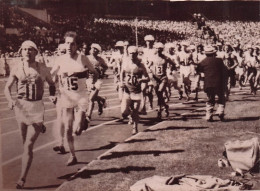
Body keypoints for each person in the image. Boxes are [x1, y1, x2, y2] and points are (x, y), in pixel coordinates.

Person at [4, 40, 56, 189]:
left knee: (28, 145)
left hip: (37, 108)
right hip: (21, 107)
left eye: (30, 49)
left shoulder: (43, 69)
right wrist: (9, 100)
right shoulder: (16, 68)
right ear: (21, 52)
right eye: (24, 49)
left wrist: (52, 95)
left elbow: (52, 84)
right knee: (24, 144)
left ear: (36, 52)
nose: (27, 51)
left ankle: (22, 179)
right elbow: (7, 88)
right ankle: (39, 126)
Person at [51, 31, 98, 166]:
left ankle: (84, 120)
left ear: (77, 45)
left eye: (72, 44)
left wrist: (92, 83)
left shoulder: (82, 58)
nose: (69, 46)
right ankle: (73, 155)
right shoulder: (60, 59)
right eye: (67, 43)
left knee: (77, 130)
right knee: (68, 128)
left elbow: (94, 72)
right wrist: (50, 80)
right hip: (67, 97)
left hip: (81, 97)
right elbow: (52, 74)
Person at [120, 46, 149, 135]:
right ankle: (131, 116)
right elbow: (121, 73)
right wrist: (121, 82)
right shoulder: (126, 63)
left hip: (136, 91)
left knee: (136, 110)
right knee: (124, 111)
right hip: (127, 90)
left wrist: (141, 80)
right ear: (128, 54)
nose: (132, 55)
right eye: (130, 53)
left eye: (134, 53)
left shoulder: (141, 65)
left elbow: (147, 78)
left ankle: (135, 128)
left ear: (137, 54)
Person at [197, 45, 228, 122]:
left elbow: (198, 71)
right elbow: (225, 71)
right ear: (214, 53)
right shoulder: (219, 60)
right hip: (219, 83)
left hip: (208, 83)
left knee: (210, 99)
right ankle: (220, 111)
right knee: (221, 98)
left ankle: (209, 115)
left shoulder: (203, 62)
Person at [86, 43, 108, 119]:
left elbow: (106, 67)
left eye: (96, 49)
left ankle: (88, 115)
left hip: (97, 80)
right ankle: (101, 100)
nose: (94, 50)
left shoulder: (100, 59)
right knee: (92, 97)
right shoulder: (86, 58)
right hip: (88, 79)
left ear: (98, 51)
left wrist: (101, 70)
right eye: (93, 48)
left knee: (91, 98)